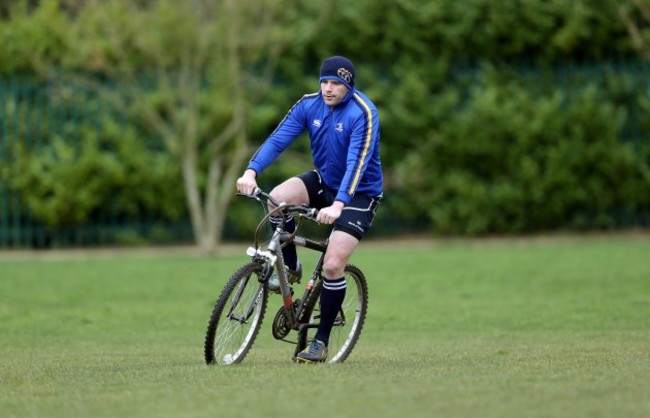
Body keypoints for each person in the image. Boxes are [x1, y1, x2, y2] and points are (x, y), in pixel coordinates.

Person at [236, 55, 383, 363]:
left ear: (349, 86)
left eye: (336, 84)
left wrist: (338, 204)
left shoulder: (363, 113)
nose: (328, 89)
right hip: (325, 180)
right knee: (277, 199)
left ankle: (321, 341)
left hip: (359, 193)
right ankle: (290, 267)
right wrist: (251, 171)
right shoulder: (308, 105)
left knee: (332, 266)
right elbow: (277, 141)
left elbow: (357, 164)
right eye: (325, 82)